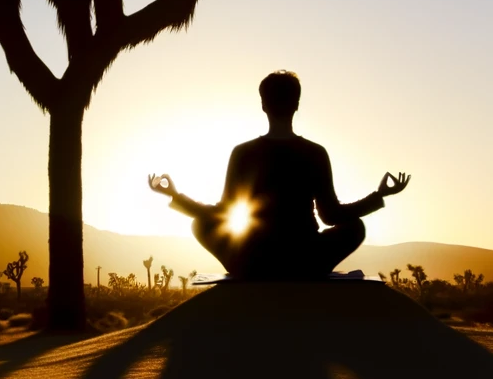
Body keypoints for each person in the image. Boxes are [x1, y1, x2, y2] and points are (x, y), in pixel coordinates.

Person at [149, 70, 410, 280]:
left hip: (255, 260)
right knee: (355, 227)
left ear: (263, 105)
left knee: (200, 223)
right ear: (296, 104)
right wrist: (379, 196)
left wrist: (174, 196)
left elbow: (223, 213)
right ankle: (299, 272)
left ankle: (247, 272)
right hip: (306, 260)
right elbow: (332, 215)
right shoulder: (315, 152)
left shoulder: (243, 153)